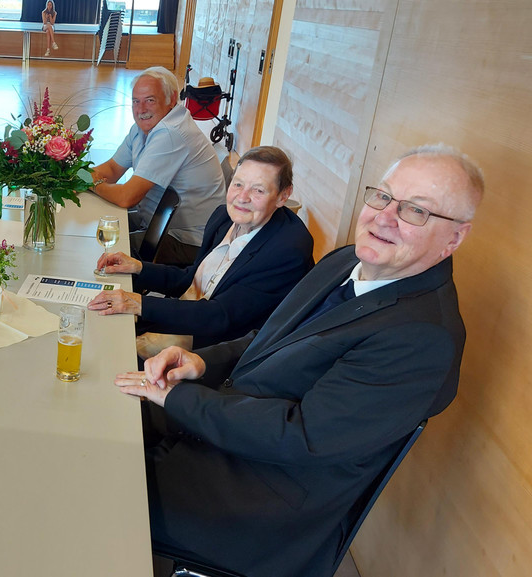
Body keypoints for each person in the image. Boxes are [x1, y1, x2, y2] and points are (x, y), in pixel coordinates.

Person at [116, 145, 483, 577]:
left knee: (89, 476)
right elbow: (268, 337)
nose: (384, 217)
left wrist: (177, 399)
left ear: (455, 237)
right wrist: (200, 362)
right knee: (98, 410)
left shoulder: (422, 339)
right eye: (383, 196)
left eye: (415, 210)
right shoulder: (347, 259)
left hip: (254, 502)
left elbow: (301, 436)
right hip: (223, 429)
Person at [87, 146, 314, 359]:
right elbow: (192, 278)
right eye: (238, 184)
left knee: (106, 352)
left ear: (283, 196)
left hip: (211, 348)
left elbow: (220, 316)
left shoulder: (287, 251)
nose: (242, 197)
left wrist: (140, 303)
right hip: (185, 317)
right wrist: (139, 268)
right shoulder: (224, 217)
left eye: (258, 190)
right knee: (93, 323)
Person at [91, 66, 226, 267]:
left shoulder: (171, 133)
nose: (141, 109)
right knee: (98, 227)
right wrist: (76, 177)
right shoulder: (142, 128)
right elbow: (111, 169)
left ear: (172, 99)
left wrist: (92, 184)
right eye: (135, 101)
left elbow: (127, 197)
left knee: (100, 251)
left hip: (187, 242)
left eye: (150, 100)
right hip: (156, 223)